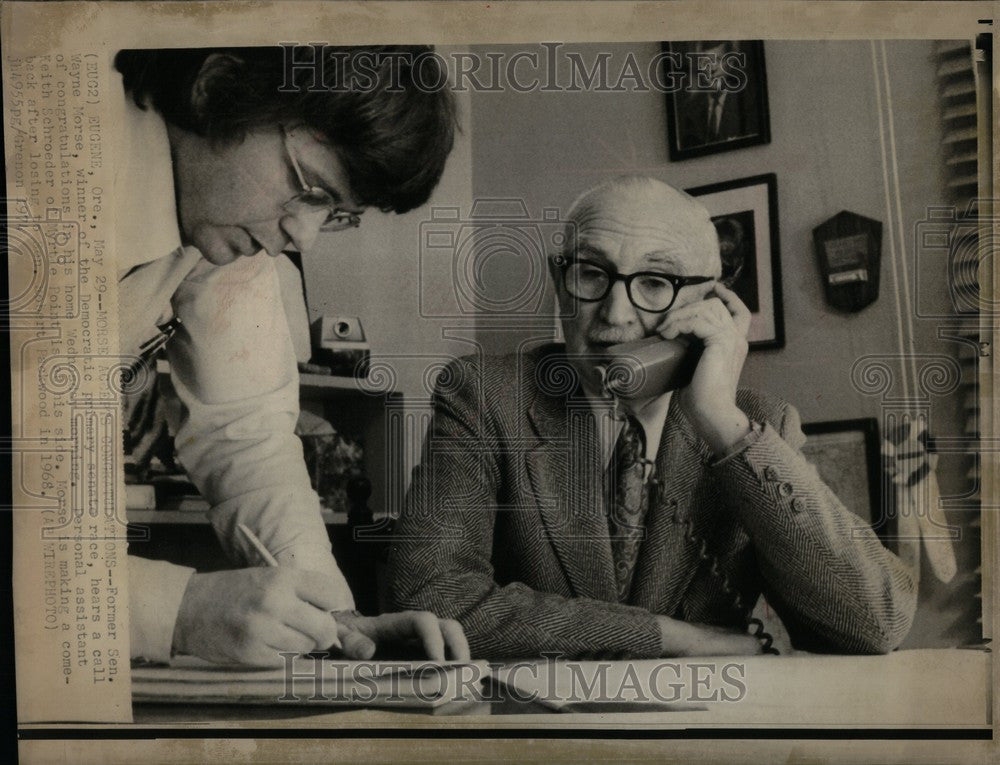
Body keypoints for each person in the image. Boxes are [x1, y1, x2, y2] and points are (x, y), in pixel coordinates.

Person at [387, 176, 917, 660]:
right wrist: (670, 637)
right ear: (558, 279)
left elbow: (876, 624)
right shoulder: (484, 396)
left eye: (655, 282)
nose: (615, 314)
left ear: (711, 302)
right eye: (591, 273)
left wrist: (719, 422)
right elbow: (434, 596)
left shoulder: (755, 427)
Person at [116, 46, 468, 666]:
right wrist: (178, 611)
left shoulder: (218, 218)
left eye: (332, 213)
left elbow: (244, 436)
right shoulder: (44, 152)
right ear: (218, 86)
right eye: (310, 188)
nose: (300, 237)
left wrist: (333, 619)